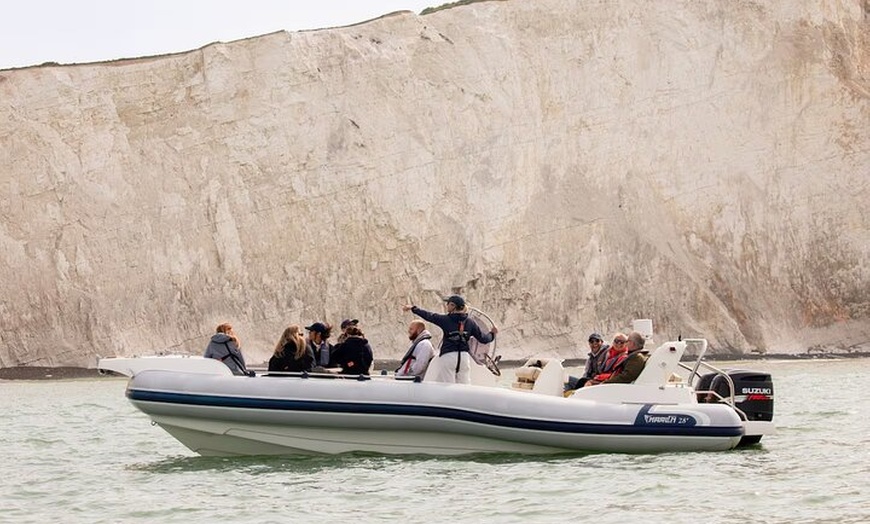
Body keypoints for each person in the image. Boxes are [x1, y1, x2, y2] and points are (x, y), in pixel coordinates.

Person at [402, 295, 497, 384]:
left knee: (447, 385)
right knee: (464, 386)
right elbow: (484, 339)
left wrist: (413, 308)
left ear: (453, 306)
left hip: (448, 356)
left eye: (448, 304)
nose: (447, 305)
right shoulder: (470, 322)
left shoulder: (445, 319)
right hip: (464, 358)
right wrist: (492, 334)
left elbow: (428, 316)